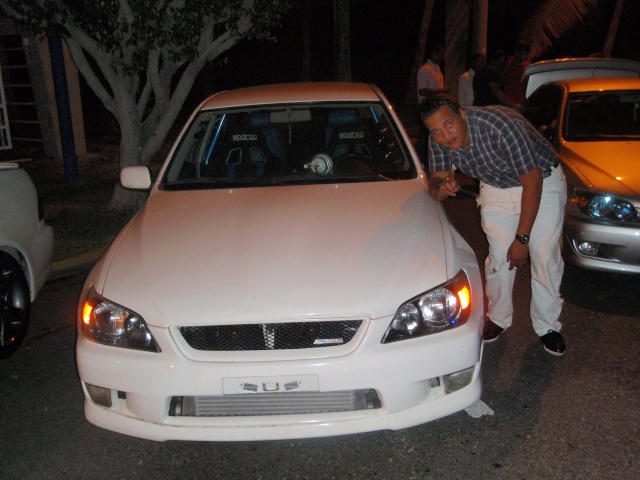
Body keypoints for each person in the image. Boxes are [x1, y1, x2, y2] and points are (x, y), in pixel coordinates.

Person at [420, 93, 567, 356]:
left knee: (543, 255)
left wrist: (522, 239)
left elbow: (532, 181)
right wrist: (442, 187)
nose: (445, 135)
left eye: (449, 124)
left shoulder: (499, 125)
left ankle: (547, 326)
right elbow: (435, 183)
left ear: (461, 113)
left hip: (541, 181)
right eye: (437, 131)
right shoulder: (438, 140)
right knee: (499, 257)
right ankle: (498, 318)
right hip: (495, 186)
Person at [416, 43, 449, 165]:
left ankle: (429, 160)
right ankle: (420, 161)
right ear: (434, 54)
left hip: (435, 108)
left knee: (431, 135)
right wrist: (441, 91)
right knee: (425, 135)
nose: (443, 57)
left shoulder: (437, 69)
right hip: (426, 108)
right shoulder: (425, 70)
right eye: (441, 54)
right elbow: (422, 90)